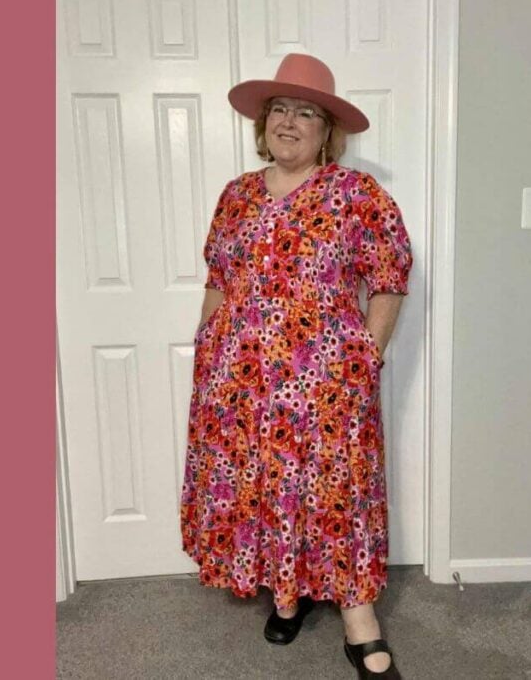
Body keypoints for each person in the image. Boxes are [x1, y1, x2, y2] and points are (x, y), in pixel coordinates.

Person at [179, 53, 413, 679]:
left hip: (326, 379)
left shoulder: (356, 195)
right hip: (242, 380)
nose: (288, 121)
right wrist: (206, 347)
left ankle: (358, 617)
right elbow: (219, 278)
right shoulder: (236, 196)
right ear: (264, 122)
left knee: (336, 489)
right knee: (264, 485)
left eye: (305, 111)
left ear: (326, 129)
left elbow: (388, 280)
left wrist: (366, 355)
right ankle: (289, 592)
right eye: (278, 109)